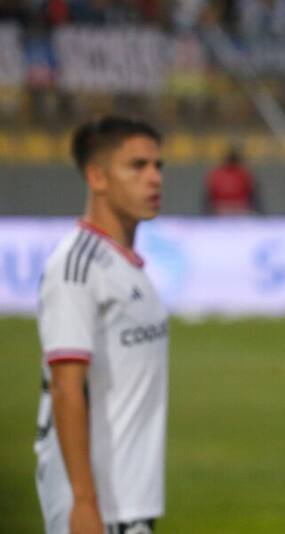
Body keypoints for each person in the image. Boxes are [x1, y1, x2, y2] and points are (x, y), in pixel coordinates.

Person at [34, 116, 168, 534]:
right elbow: (65, 386)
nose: (154, 178)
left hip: (132, 502)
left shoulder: (127, 267)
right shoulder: (77, 266)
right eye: (137, 166)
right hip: (99, 510)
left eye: (157, 166)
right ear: (97, 176)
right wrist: (84, 504)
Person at [203, 147, 261, 215]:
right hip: (221, 209)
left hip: (240, 209)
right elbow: (209, 196)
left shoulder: (244, 174)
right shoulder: (217, 174)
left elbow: (252, 194)